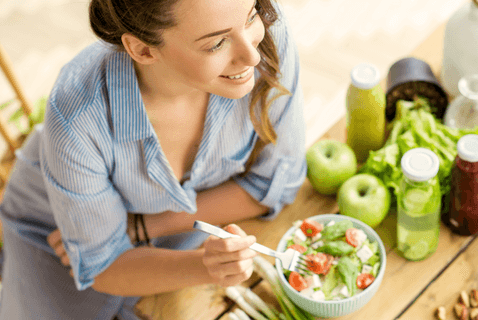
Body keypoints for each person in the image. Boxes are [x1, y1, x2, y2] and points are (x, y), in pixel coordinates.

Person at [0, 0, 306, 318]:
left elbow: (277, 181)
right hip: (55, 230)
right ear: (143, 50)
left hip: (174, 224)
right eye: (217, 43)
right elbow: (104, 264)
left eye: (251, 15)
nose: (252, 56)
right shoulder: (78, 115)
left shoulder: (267, 36)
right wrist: (206, 265)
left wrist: (144, 227)